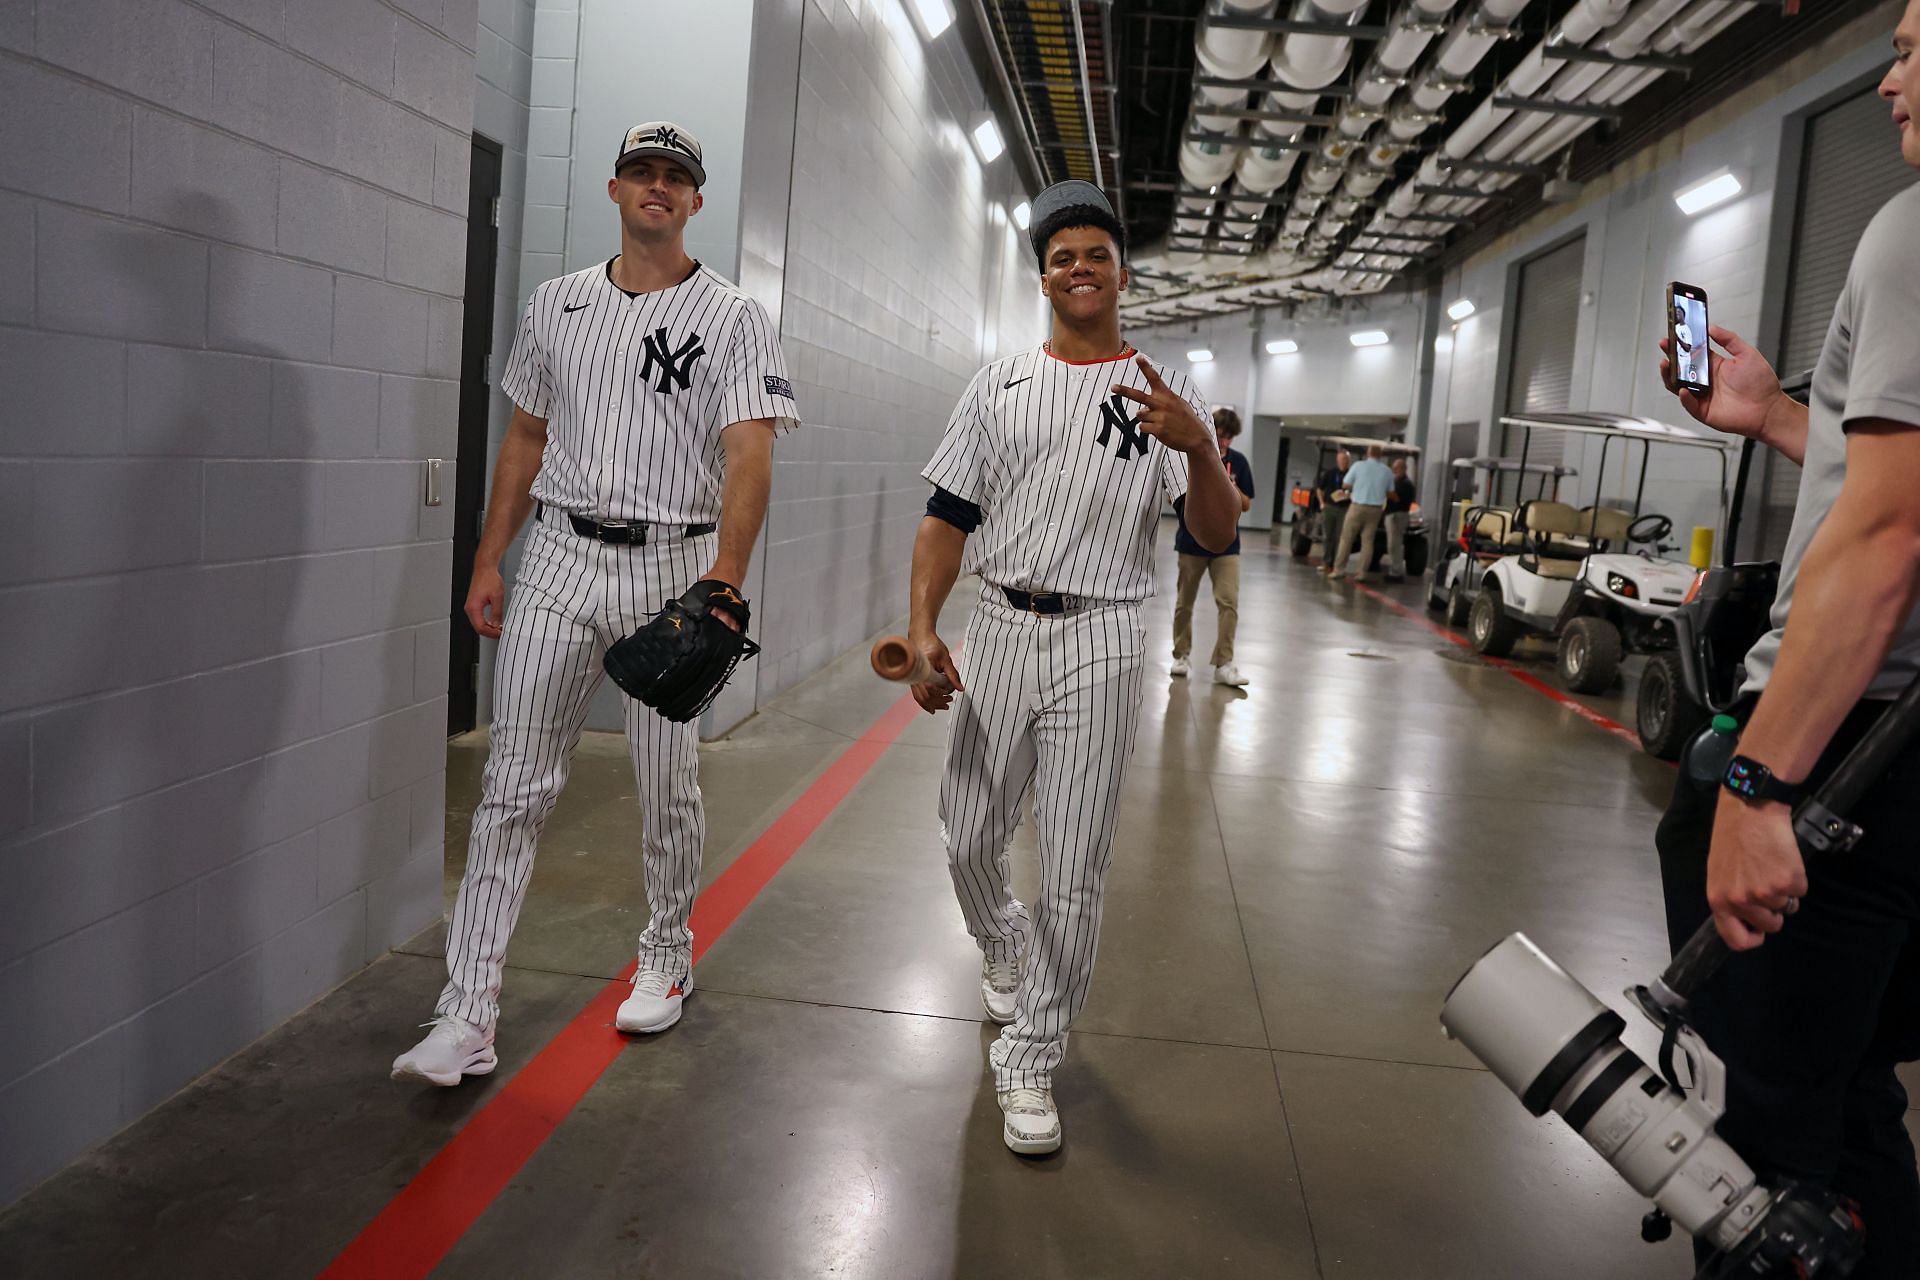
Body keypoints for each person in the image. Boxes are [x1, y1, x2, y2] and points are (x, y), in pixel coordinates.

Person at [392, 121, 800, 1086]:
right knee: (513, 790)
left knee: (666, 786)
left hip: (674, 567)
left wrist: (726, 580)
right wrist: (491, 557)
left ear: (696, 200)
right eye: (643, 173)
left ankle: (667, 952)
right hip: (561, 562)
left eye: (677, 178)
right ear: (615, 190)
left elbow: (751, 454)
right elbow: (526, 437)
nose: (659, 187)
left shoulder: (735, 316)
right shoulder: (557, 304)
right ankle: (467, 1013)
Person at [1653, 11, 1920, 1274]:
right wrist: (1770, 416)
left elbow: (1886, 540)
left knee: (1755, 1143)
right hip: (1903, 760)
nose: (1889, 78)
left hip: (1844, 748)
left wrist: (1760, 781)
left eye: (1919, 45)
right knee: (1847, 1092)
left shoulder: (1914, 229)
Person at [905, 179, 1239, 1156]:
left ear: (1121, 270)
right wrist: (923, 624)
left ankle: (1032, 1054)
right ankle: (1003, 941)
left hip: (1103, 632)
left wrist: (1201, 452)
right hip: (1001, 623)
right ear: (1044, 276)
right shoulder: (999, 382)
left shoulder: (1160, 389)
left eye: (1096, 252)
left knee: (1077, 860)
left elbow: (1214, 533)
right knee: (968, 833)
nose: (1079, 268)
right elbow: (947, 516)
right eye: (1062, 256)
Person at [1171, 407, 1256, 687]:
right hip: (1191, 543)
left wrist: (1231, 487)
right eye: (1220, 435)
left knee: (1229, 602)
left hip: (1227, 546)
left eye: (1229, 438)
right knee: (1185, 602)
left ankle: (1224, 662)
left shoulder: (1239, 462)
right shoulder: (1192, 458)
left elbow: (1246, 504)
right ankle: (1181, 655)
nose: (1224, 442)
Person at [1326, 444, 1393, 582]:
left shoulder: (1358, 466)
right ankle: (1362, 573)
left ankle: (1339, 570)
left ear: (1368, 453)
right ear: (1380, 455)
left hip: (1357, 507)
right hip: (1375, 510)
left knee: (1346, 539)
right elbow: (1390, 491)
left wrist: (1358, 485)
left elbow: (1345, 484)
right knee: (1367, 542)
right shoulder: (1387, 471)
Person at [1314, 447, 1351, 566]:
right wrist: (1322, 503)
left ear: (1348, 461)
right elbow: (1319, 489)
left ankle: (1337, 563)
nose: (1343, 463)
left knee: (1340, 537)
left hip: (1344, 508)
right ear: (1337, 461)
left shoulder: (1351, 474)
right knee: (1327, 535)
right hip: (1330, 507)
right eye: (1341, 460)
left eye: (1345, 460)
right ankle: (1326, 561)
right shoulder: (1330, 473)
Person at [1382, 456, 1416, 583]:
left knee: (1395, 544)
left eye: (1397, 468)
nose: (1394, 470)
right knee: (1392, 545)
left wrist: (1386, 491)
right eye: (1394, 468)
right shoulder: (1395, 482)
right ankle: (1394, 570)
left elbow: (1397, 498)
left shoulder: (1406, 484)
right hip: (1391, 514)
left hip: (1398, 515)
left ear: (1403, 469)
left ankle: (1396, 572)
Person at [1673, 302, 1700, 385]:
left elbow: (1687, 348)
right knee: (1681, 377)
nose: (1677, 313)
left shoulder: (1687, 330)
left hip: (1685, 359)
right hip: (1678, 356)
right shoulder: (1676, 327)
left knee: (1684, 380)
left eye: (1679, 312)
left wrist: (1678, 338)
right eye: (1676, 312)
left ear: (1683, 315)